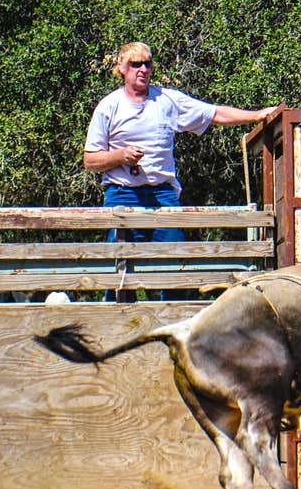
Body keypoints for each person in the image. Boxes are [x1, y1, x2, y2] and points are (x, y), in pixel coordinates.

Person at [83, 41, 277, 300]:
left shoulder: (166, 100)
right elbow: (90, 160)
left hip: (163, 196)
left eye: (147, 64)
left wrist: (256, 115)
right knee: (120, 271)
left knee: (176, 264)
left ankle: (172, 324)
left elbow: (214, 113)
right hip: (122, 195)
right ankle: (118, 325)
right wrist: (120, 156)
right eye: (135, 64)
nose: (142, 69)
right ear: (122, 69)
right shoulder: (109, 107)